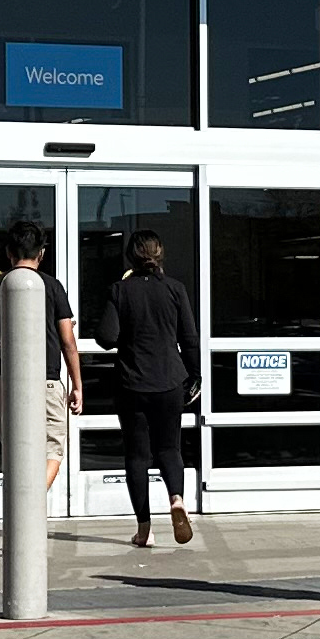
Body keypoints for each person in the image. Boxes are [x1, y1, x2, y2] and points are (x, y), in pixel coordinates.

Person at [104, 228, 202, 546]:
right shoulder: (175, 289)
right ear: (160, 256)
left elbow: (106, 337)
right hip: (170, 381)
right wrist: (195, 374)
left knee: (137, 455)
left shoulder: (120, 290)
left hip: (131, 382)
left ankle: (144, 528)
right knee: (170, 448)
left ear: (131, 256)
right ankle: (176, 499)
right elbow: (188, 337)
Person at [0, 221, 83, 482]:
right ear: (41, 253)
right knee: (53, 446)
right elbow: (68, 342)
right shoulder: (53, 287)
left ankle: (22, 507)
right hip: (48, 380)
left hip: (7, 379)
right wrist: (77, 385)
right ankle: (31, 507)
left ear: (9, 252)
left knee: (14, 447)